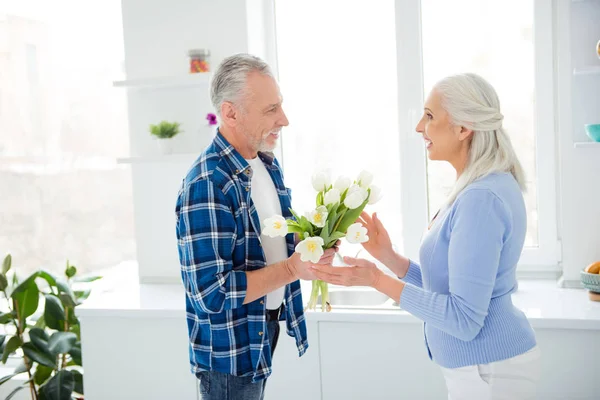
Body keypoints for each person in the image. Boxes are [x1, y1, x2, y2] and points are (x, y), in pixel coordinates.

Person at [312, 73, 541, 400]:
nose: (420, 127)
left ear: (464, 129)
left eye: (430, 116)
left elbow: (464, 319)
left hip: (490, 372)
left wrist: (377, 279)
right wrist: (388, 256)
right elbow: (447, 287)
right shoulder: (480, 188)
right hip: (484, 368)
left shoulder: (480, 199)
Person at [175, 53, 336, 400]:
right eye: (270, 110)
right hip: (228, 357)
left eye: (280, 106)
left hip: (261, 331)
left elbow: (270, 238)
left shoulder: (264, 163)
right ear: (231, 112)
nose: (284, 120)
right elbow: (211, 294)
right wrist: (294, 268)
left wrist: (314, 243)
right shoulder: (208, 183)